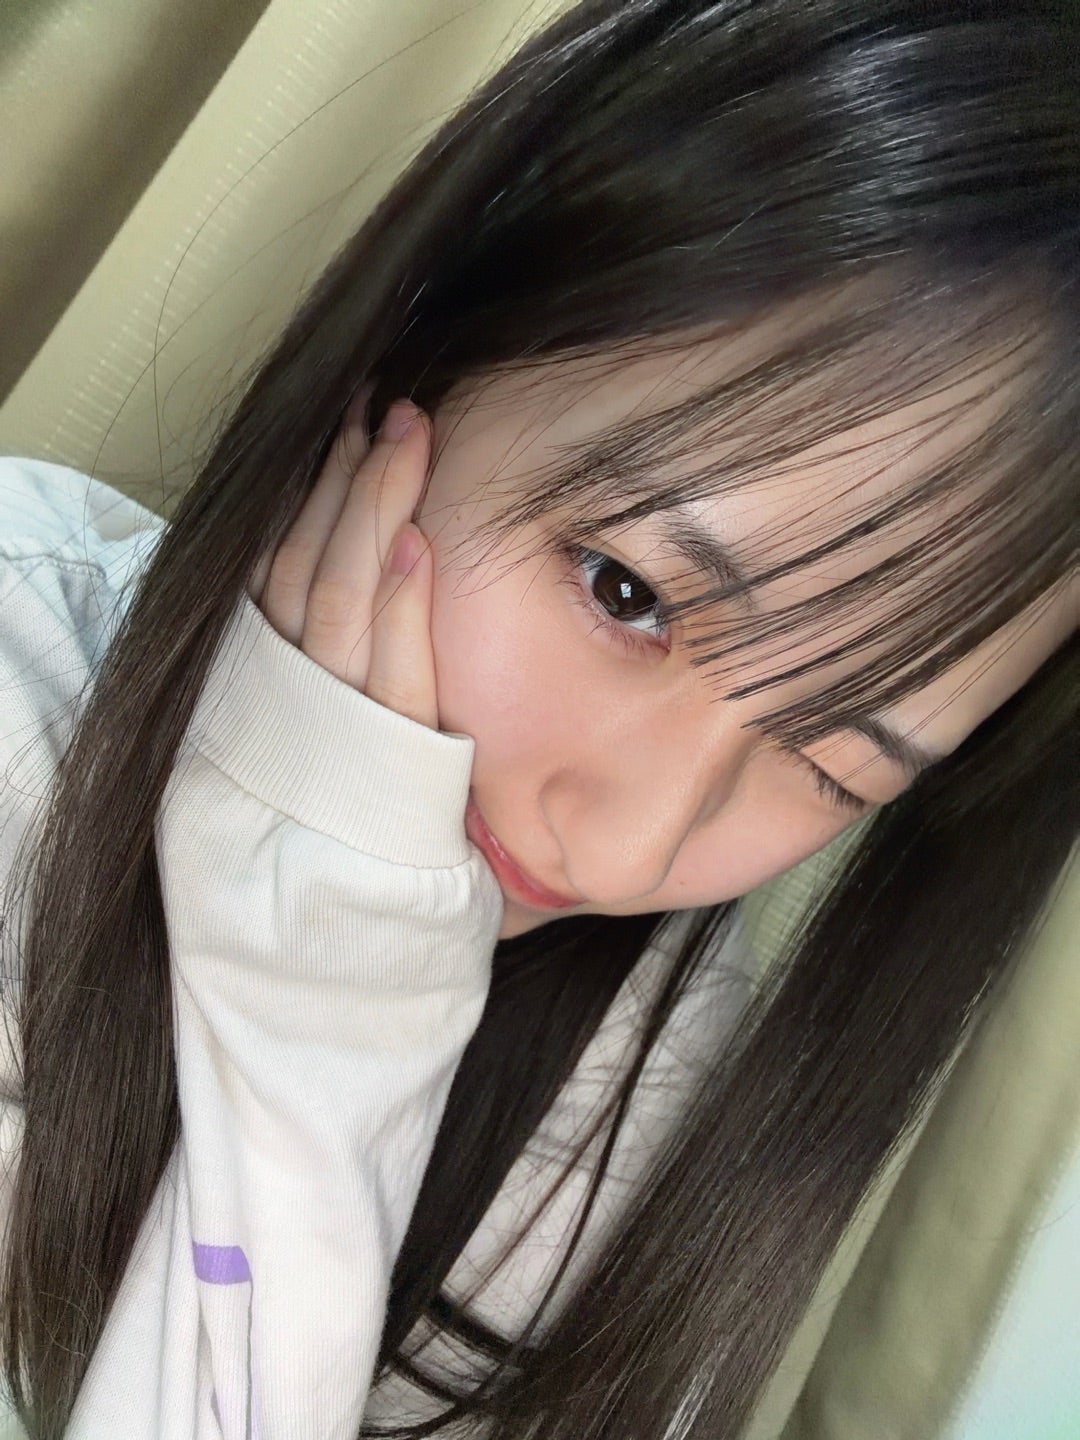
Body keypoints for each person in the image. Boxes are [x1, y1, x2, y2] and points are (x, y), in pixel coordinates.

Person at [0, 0, 1076, 1435]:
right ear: (421, 352)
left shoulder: (637, 1087)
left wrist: (326, 1014)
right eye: (629, 592)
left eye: (833, 764)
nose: (626, 851)